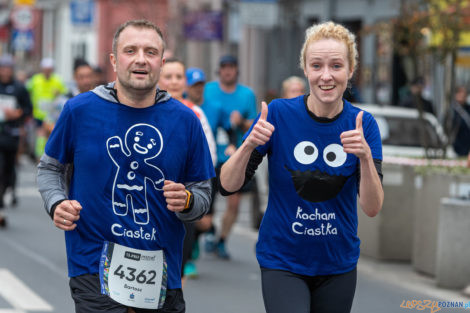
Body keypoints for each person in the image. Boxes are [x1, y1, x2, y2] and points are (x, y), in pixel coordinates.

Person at [37, 19, 214, 313]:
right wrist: (57, 203)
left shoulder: (185, 121)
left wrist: (187, 201)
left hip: (161, 267)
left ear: (161, 61)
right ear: (114, 60)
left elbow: (203, 193)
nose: (141, 59)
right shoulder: (80, 111)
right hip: (93, 262)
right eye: (130, 50)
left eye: (150, 51)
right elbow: (50, 168)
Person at [219, 21, 384, 313]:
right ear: (305, 69)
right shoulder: (278, 114)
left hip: (338, 263)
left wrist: (366, 158)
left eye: (336, 66)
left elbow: (372, 207)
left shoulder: (363, 124)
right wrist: (247, 145)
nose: (326, 76)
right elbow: (227, 184)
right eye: (316, 65)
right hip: (283, 260)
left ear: (350, 70)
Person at [158, 58, 217, 282]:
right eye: (168, 76)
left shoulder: (195, 114)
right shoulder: (144, 110)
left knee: (175, 270)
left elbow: (208, 155)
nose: (173, 82)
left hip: (183, 196)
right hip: (150, 198)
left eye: (178, 77)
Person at [203, 55, 257, 259]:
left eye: (231, 67)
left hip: (236, 157)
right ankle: (208, 231)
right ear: (219, 70)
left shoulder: (246, 94)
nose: (227, 71)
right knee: (208, 202)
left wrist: (241, 120)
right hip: (210, 156)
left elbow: (253, 124)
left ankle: (223, 239)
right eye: (224, 67)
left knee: (234, 203)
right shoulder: (208, 90)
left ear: (237, 70)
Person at [0, 55, 32, 227]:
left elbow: (28, 109)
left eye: (8, 68)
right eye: (2, 68)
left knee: (8, 170)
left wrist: (17, 114)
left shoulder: (19, 88)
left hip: (11, 136)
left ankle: (7, 191)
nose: (5, 71)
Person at [27, 57, 67, 159]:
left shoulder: (57, 80)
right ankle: (39, 156)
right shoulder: (36, 79)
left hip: (53, 114)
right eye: (46, 69)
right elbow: (27, 89)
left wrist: (59, 92)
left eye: (50, 69)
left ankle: (50, 155)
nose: (48, 72)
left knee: (51, 134)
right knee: (41, 134)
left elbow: (65, 93)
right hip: (39, 113)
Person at [449, 86, 470, 157]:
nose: (462, 96)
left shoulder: (468, 109)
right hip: (456, 147)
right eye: (460, 94)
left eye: (464, 94)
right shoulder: (451, 110)